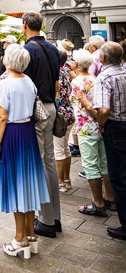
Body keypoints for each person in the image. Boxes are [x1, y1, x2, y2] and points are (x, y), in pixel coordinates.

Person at [0, 43, 50, 259]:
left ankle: (20, 239)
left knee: (17, 185)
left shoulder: (6, 85)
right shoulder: (29, 82)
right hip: (28, 133)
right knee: (28, 182)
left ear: (8, 60)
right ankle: (30, 234)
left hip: (12, 135)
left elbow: (1, 117)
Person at [22, 11, 61, 238]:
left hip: (36, 110)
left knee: (40, 164)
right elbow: (56, 81)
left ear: (25, 25)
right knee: (49, 162)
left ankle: (45, 220)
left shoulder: (28, 51)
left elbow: (25, 85)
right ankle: (54, 216)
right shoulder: (53, 48)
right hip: (51, 106)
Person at [70, 48, 115, 218]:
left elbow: (87, 106)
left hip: (86, 127)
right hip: (100, 127)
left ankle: (98, 203)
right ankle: (110, 197)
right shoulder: (94, 78)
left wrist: (95, 117)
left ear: (77, 63)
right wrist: (100, 121)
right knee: (104, 163)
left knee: (90, 165)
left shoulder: (77, 83)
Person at [94, 41, 126, 241]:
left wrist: (101, 123)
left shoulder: (104, 77)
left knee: (119, 176)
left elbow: (104, 110)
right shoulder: (124, 72)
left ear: (104, 58)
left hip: (116, 128)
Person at [54, 48, 75, 193]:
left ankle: (60, 182)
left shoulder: (55, 74)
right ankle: (67, 179)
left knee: (58, 150)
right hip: (69, 113)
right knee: (66, 147)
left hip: (60, 115)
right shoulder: (66, 72)